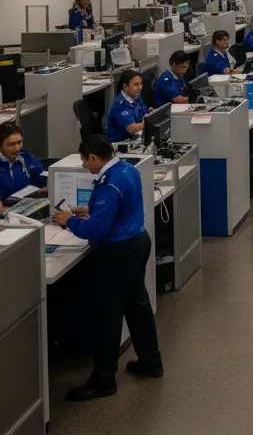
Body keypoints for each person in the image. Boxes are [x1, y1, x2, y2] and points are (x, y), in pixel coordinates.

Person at [52, 134, 163, 400]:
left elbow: (97, 230)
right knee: (138, 306)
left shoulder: (108, 184)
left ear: (93, 157)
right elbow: (118, 209)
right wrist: (87, 209)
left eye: (84, 160)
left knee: (107, 316)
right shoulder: (126, 169)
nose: (84, 166)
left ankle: (103, 380)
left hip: (118, 252)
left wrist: (69, 221)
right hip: (138, 241)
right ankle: (151, 361)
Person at [0, 121, 45, 202]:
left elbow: (42, 179)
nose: (17, 148)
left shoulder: (25, 156)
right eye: (11, 144)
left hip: (27, 204)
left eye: (19, 142)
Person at [106, 70, 148, 142]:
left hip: (134, 138)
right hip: (120, 143)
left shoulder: (136, 97)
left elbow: (146, 112)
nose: (140, 87)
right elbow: (132, 129)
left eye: (141, 84)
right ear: (125, 86)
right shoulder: (120, 106)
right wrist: (148, 122)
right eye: (136, 84)